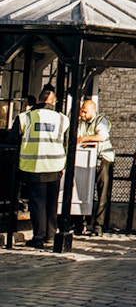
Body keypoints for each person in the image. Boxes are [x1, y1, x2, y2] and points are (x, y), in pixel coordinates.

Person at [12, 89, 69, 249]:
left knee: (37, 203)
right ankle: (51, 234)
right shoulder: (62, 119)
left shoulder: (25, 117)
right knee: (52, 203)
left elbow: (12, 138)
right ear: (54, 101)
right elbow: (66, 142)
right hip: (55, 166)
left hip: (34, 166)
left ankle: (38, 237)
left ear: (38, 100)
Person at [76, 98, 114, 236]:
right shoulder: (81, 123)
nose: (82, 114)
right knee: (81, 191)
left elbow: (102, 136)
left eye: (85, 112)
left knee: (102, 194)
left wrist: (83, 139)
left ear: (93, 110)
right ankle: (79, 223)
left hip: (103, 159)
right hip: (83, 159)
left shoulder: (101, 121)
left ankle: (98, 226)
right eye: (81, 111)